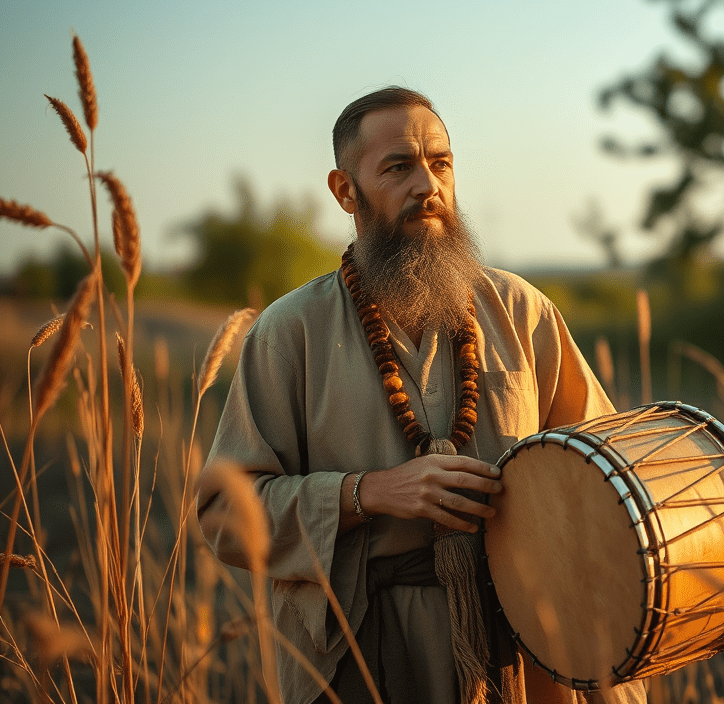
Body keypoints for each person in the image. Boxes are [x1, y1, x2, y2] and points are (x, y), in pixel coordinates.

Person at [196, 87, 648, 704]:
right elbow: (226, 513)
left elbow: (605, 474)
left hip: (526, 649)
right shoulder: (290, 332)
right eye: (398, 167)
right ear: (343, 190)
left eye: (441, 163)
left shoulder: (520, 311)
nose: (428, 185)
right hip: (363, 653)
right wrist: (369, 493)